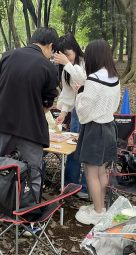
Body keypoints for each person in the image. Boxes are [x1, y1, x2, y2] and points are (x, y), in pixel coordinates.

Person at [0, 27, 59, 206]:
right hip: (30, 129)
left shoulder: (7, 56)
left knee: (2, 167)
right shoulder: (48, 67)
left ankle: (2, 211)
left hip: (2, 124)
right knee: (32, 172)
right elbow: (48, 102)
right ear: (50, 46)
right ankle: (29, 215)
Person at [73, 39, 120, 225]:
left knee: (91, 173)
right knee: (102, 171)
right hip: (109, 126)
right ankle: (100, 207)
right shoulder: (114, 77)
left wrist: (79, 94)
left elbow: (83, 111)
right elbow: (111, 103)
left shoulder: (93, 79)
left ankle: (98, 211)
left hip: (94, 129)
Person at [53, 33, 88, 199]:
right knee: (73, 149)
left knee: (87, 151)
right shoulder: (65, 69)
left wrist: (67, 63)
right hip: (75, 113)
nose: (67, 58)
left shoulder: (84, 63)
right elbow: (68, 94)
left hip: (89, 113)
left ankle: (87, 187)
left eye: (68, 53)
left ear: (75, 49)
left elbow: (82, 78)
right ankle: (70, 184)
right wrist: (63, 113)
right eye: (63, 55)